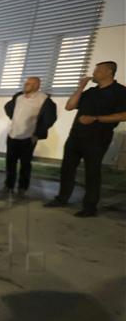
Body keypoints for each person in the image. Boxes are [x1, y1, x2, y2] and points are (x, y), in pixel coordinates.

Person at [45, 61, 126, 217]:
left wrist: (96, 118)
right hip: (76, 136)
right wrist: (80, 88)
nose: (94, 74)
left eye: (97, 70)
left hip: (98, 138)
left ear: (109, 72)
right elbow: (69, 106)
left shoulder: (120, 92)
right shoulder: (90, 92)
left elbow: (124, 115)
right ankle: (62, 198)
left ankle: (90, 207)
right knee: (67, 169)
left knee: (92, 172)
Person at [2, 76, 57, 196]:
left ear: (37, 86)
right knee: (10, 162)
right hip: (13, 135)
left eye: (30, 83)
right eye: (26, 83)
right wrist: (15, 119)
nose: (26, 85)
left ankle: (22, 188)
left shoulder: (44, 99)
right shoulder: (18, 97)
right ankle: (8, 185)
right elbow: (8, 107)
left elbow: (49, 119)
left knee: (25, 164)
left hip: (29, 137)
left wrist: (37, 134)